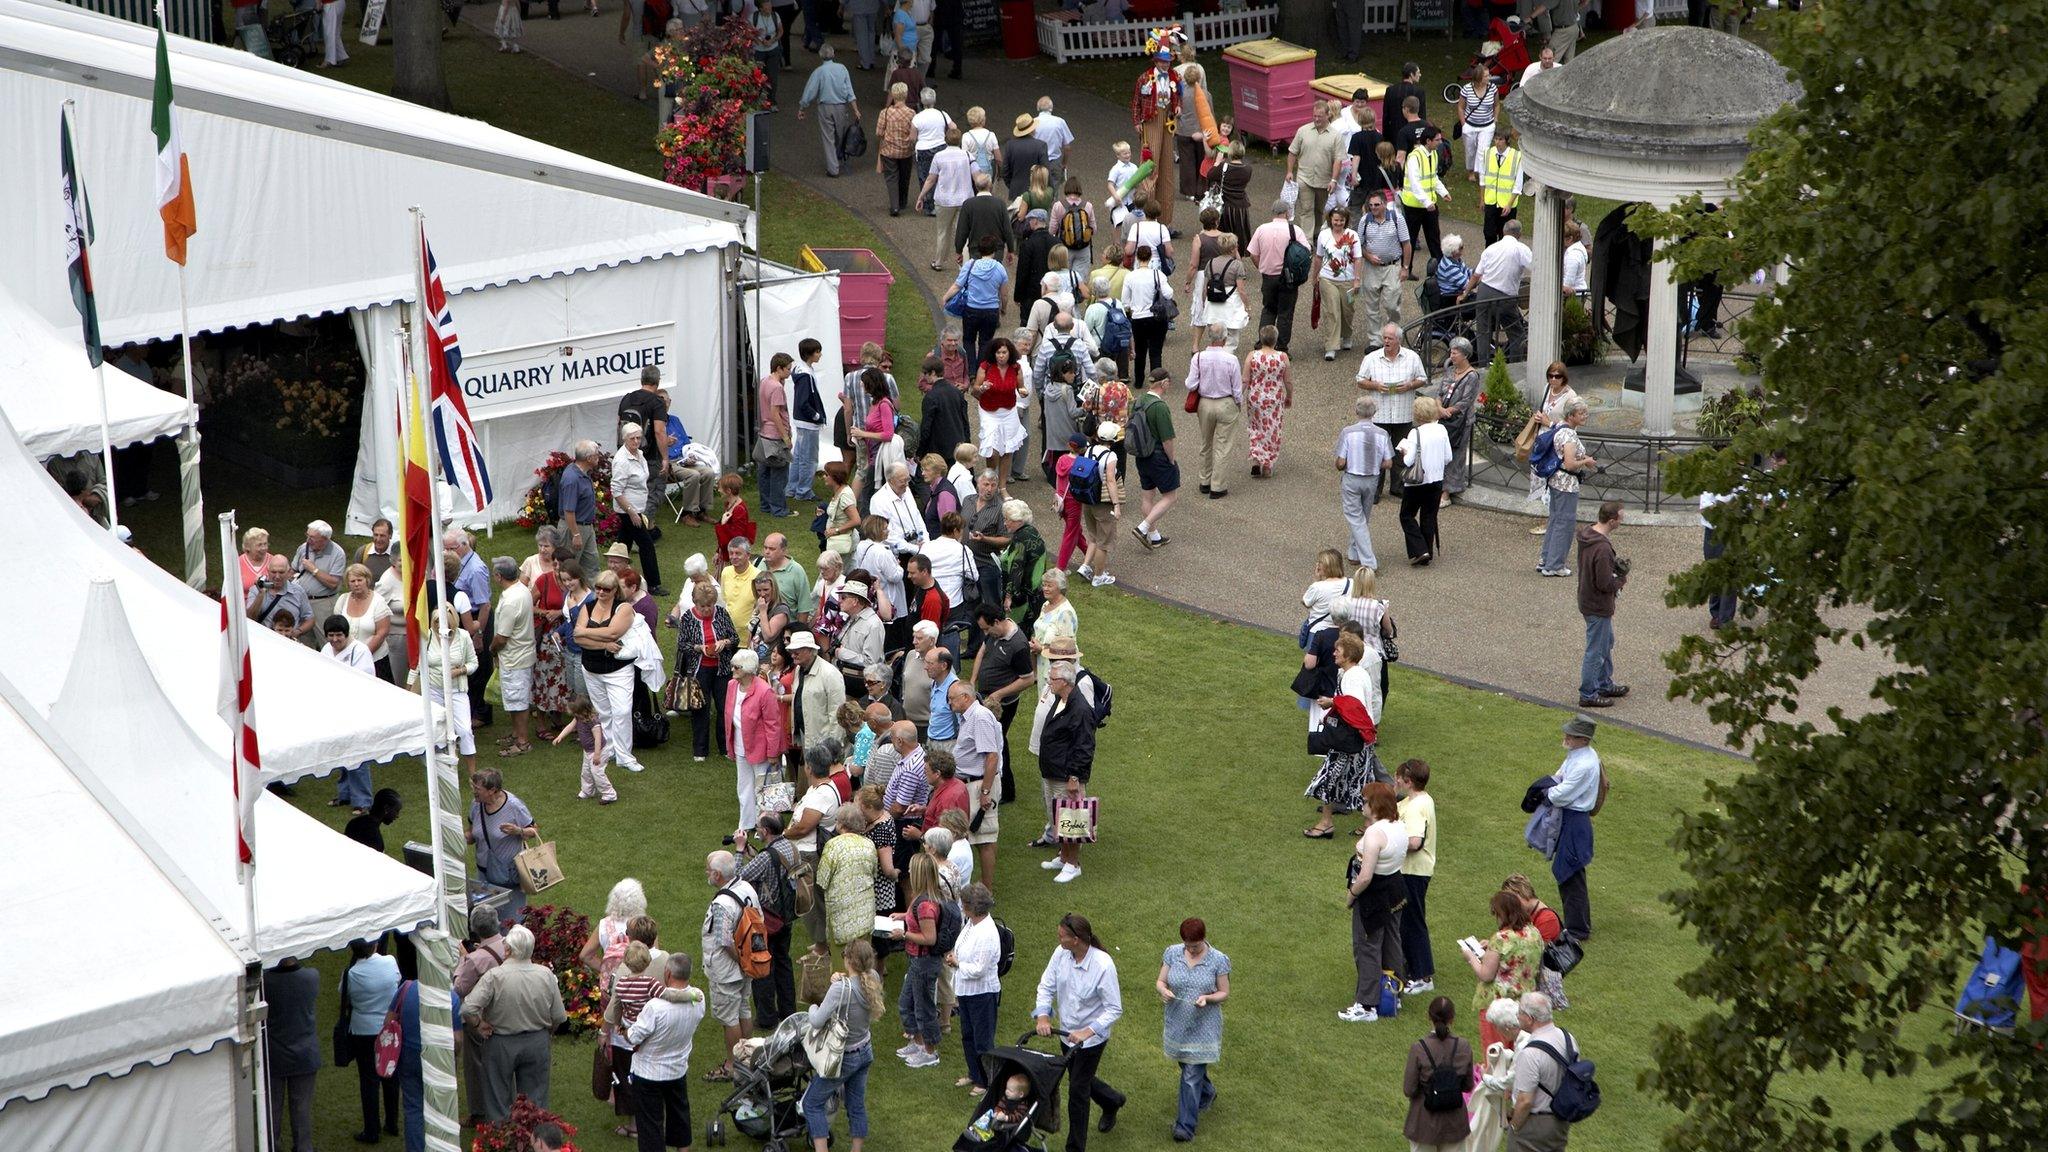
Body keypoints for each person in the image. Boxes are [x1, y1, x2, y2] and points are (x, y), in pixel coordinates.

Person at [1033, 913, 1125, 1151]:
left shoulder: (1103, 965)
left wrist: (1088, 1031)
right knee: (1079, 1079)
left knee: (1077, 1091)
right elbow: (1046, 985)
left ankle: (1075, 1148)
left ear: (1076, 939)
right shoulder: (1060, 954)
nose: (1058, 939)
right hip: (1066, 1034)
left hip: (1091, 1042)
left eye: (1062, 936)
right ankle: (1112, 1100)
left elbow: (1114, 1008)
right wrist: (1043, 1014)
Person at [802, 939, 884, 1152]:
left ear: (848, 960)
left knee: (811, 1103)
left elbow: (818, 1020)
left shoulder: (840, 989)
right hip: (865, 1051)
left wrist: (812, 1006)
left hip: (843, 1057)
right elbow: (857, 984)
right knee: (856, 1105)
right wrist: (840, 979)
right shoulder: (873, 978)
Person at [1156, 918, 1230, 1143]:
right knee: (1187, 1066)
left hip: (1203, 1026)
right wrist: (1163, 990)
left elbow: (1224, 992)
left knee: (1190, 1075)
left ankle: (1185, 1127)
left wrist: (1207, 998)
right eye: (1188, 945)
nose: (1191, 949)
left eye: (1195, 945)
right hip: (1178, 1022)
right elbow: (1160, 981)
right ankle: (1206, 1092)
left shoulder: (1218, 960)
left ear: (1204, 939)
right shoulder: (1172, 953)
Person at [1339, 781, 1407, 1022]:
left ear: (1375, 805)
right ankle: (1393, 992)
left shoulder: (1374, 834)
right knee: (1392, 941)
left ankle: (1366, 1005)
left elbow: (1365, 876)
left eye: (1365, 801)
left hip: (1374, 894)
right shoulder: (1399, 825)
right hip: (1396, 889)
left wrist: (1352, 895)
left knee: (1367, 947)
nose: (1362, 805)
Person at [627, 952, 709, 1152]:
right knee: (680, 1115)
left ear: (668, 973)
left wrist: (626, 1029)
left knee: (650, 1127)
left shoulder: (655, 1007)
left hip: (648, 1074)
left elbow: (634, 1037)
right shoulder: (698, 998)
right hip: (677, 1069)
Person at [576, 571, 648, 774]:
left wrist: (586, 632)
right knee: (603, 712)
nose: (600, 592)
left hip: (617, 671)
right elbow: (577, 638)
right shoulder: (588, 606)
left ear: (615, 590)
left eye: (606, 589)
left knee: (622, 711)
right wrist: (604, 645)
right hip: (591, 668)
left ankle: (625, 755)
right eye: (598, 587)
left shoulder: (623, 608)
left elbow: (614, 632)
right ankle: (610, 749)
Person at [1546, 714, 1608, 940]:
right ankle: (1576, 925)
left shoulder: (1584, 763)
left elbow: (1560, 794)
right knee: (1569, 873)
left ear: (1583, 739)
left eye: (1571, 735)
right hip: (1573, 819)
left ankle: (1578, 929)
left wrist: (1545, 791)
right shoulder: (1580, 755)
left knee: (1570, 873)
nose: (1566, 737)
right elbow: (1559, 776)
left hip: (1575, 820)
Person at [1034, 660, 1097, 883]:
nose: (1048, 682)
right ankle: (1063, 856)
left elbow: (1084, 746)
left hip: (1065, 775)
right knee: (1057, 818)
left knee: (1069, 819)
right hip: (1053, 771)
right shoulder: (1062, 699)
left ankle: (1073, 864)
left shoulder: (1080, 708)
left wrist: (1074, 777)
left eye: (1051, 679)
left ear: (1064, 681)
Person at [699, 851, 758, 1081]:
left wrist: (741, 961)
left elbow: (724, 941)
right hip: (744, 966)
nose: (707, 874)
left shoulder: (721, 903)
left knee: (729, 1018)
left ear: (717, 874)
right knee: (744, 1009)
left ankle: (734, 1066)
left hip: (727, 970)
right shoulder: (746, 887)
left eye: (708, 870)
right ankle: (747, 1059)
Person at [1355, 323, 1429, 502]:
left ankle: (1398, 487)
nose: (1386, 341)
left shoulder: (1412, 357)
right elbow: (1359, 379)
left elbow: (1423, 378)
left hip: (1402, 414)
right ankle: (1374, 491)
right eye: (1385, 338)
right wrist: (1375, 385)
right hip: (1379, 415)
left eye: (1390, 338)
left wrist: (1410, 385)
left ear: (1399, 340)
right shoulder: (1372, 358)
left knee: (1400, 453)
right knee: (1377, 453)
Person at [886, 854, 947, 1067]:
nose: (909, 873)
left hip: (924, 962)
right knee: (906, 1002)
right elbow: (917, 920)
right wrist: (903, 916)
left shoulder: (925, 905)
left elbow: (929, 938)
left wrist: (903, 935)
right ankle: (918, 1042)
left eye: (912, 870)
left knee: (923, 1008)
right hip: (917, 960)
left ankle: (929, 1052)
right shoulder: (922, 897)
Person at [1465, 889, 1543, 1051]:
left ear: (1503, 914)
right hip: (1524, 1004)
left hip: (1497, 1007)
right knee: (1521, 1052)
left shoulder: (1501, 939)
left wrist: (1471, 958)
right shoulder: (1534, 933)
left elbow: (1486, 975)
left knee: (1497, 1057)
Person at [341, 939, 402, 1142]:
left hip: (363, 1031)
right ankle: (392, 1123)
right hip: (387, 1027)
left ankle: (372, 1130)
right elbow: (397, 983)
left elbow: (344, 996)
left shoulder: (351, 974)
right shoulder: (390, 962)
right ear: (374, 944)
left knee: (369, 1081)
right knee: (391, 1075)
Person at [1389, 760, 1440, 998]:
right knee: (1408, 921)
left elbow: (1415, 842)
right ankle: (1414, 969)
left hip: (1413, 871)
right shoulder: (1418, 801)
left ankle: (1422, 976)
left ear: (1408, 781)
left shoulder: (1416, 806)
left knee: (1412, 922)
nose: (1395, 780)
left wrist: (1389, 846)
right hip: (1414, 870)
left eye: (1397, 778)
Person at [674, 581, 738, 762]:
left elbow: (734, 637)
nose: (707, 609)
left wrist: (724, 643)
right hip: (699, 669)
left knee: (724, 707)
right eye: (702, 606)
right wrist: (699, 648)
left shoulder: (722, 613)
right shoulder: (687, 617)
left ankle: (725, 747)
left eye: (710, 605)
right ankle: (700, 750)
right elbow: (682, 644)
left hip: (722, 669)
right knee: (700, 708)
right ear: (695, 602)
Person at [947, 881, 1003, 1090]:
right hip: (967, 991)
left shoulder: (987, 933)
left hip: (982, 994)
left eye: (964, 903)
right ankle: (974, 1073)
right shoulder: (972, 924)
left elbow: (979, 969)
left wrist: (957, 963)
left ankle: (986, 1081)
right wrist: (955, 957)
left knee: (983, 1040)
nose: (961, 906)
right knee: (968, 1035)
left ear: (973, 907)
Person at [264, 956, 322, 1152]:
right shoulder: (311, 976)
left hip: (275, 1055)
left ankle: (272, 1146)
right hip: (305, 1054)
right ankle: (303, 1148)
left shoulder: (267, 982)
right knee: (302, 1109)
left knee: (273, 1109)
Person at [1401, 996, 1474, 1151]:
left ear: (1429, 1017)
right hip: (1454, 1124)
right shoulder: (1464, 1046)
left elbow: (1409, 1089)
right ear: (1452, 1019)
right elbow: (1468, 1086)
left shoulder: (1419, 1048)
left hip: (1423, 1124)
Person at [1509, 993, 1579, 1151]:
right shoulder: (1569, 1039)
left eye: (1520, 1012)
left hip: (1535, 1124)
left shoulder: (1530, 1053)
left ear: (1530, 1018)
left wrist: (1514, 1127)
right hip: (1561, 1120)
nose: (1517, 1016)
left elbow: (1525, 1101)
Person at [414, 605, 480, 772]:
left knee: (464, 730)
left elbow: (474, 663)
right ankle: (444, 770)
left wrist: (459, 671)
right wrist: (410, 688)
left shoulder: (463, 636)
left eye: (443, 620)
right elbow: (417, 666)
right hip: (434, 690)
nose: (439, 624)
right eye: (436, 621)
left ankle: (473, 773)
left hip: (457, 690)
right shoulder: (426, 637)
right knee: (437, 730)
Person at [1576, 501, 1627, 708]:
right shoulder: (1603, 548)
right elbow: (1605, 583)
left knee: (1606, 642)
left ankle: (1604, 682)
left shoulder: (1587, 533)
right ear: (1612, 521)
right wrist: (1621, 579)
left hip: (1587, 598)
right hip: (1597, 604)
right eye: (1621, 518)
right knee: (1596, 650)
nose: (1622, 522)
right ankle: (1588, 693)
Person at [466, 768, 537, 914]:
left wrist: (519, 831)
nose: (474, 791)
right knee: (488, 920)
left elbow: (534, 831)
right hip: (483, 875)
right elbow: (472, 834)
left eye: (477, 788)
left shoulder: (513, 806)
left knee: (511, 920)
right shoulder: (476, 804)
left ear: (492, 790)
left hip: (508, 875)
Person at [1335, 397, 1393, 571]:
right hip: (1372, 479)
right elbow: (1388, 463)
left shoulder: (1348, 432)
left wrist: (1343, 463)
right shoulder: (1382, 434)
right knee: (1362, 518)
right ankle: (1354, 553)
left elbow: (1340, 462)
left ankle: (1368, 561)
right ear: (1374, 413)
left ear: (1356, 412)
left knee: (1356, 518)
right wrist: (1375, 464)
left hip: (1352, 478)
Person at [1185, 328, 1243, 499]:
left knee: (1205, 443)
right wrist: (1238, 404)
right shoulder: (1231, 359)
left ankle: (1205, 480)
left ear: (1209, 338)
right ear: (1224, 339)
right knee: (1223, 446)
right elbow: (1237, 389)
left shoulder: (1198, 357)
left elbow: (1191, 384)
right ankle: (1217, 486)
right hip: (1226, 403)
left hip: (1205, 404)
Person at [1538, 401, 1595, 577]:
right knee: (1564, 524)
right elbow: (1570, 464)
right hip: (1566, 485)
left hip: (1555, 481)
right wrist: (1586, 461)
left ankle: (1546, 559)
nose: (1585, 416)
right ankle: (1555, 565)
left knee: (1555, 520)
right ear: (1571, 416)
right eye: (1581, 413)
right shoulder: (1569, 435)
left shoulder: (1560, 428)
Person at [817, 803, 880, 957]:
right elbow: (873, 873)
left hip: (842, 913)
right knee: (863, 959)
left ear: (842, 824)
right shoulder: (869, 844)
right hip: (865, 910)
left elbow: (822, 879)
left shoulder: (833, 845)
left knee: (844, 964)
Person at [1128, 368, 1180, 551]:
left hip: (1142, 456)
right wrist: (1171, 460)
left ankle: (1153, 535)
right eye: (1169, 382)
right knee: (1170, 496)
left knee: (1147, 495)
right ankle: (1143, 527)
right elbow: (1167, 439)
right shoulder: (1159, 407)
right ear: (1163, 383)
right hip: (1158, 456)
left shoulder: (1138, 401)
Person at [1502, 874, 1572, 1009]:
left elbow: (1534, 955)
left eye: (1512, 901)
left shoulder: (1547, 919)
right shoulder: (1526, 913)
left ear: (1520, 894)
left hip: (1536, 982)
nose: (1510, 907)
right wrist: (1494, 945)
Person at [1246, 200, 1307, 353]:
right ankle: (1281, 347)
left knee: (1268, 309)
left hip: (1268, 276)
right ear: (1287, 212)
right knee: (1285, 313)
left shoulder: (1261, 229)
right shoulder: (1295, 230)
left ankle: (1263, 344)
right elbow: (1306, 253)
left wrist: (1261, 267)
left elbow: (1253, 253)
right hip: (1288, 278)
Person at [1396, 397, 1451, 565]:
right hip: (1436, 480)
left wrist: (1404, 452)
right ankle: (1427, 551)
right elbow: (1448, 457)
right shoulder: (1442, 430)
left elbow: (1408, 461)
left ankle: (1420, 550)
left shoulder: (1415, 433)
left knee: (1406, 515)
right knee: (1429, 516)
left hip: (1417, 482)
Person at [1471, 219, 1532, 367]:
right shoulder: (1521, 249)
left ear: (1503, 232)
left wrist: (1465, 292)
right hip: (1504, 297)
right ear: (1519, 234)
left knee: (1483, 333)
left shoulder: (1491, 248)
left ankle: (1483, 366)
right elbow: (1536, 267)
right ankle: (1515, 366)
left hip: (1484, 293)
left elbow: (1476, 275)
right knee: (1517, 334)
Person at [797, 45, 861, 177]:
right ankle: (838, 158)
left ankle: (833, 169)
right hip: (841, 106)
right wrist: (855, 109)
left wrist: (803, 107)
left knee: (828, 137)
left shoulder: (819, 72)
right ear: (833, 54)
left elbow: (810, 91)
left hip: (825, 107)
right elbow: (849, 90)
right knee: (841, 134)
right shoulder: (842, 68)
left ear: (821, 56)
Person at [1311, 204, 1361, 362]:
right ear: (1331, 220)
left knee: (1347, 311)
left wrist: (1357, 279)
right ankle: (1331, 346)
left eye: (1341, 220)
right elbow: (1318, 257)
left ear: (1345, 221)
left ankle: (1346, 335)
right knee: (1331, 311)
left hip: (1347, 280)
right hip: (1327, 278)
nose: (1338, 223)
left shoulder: (1352, 235)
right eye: (1336, 220)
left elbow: (1358, 258)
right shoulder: (1324, 235)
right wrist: (1315, 276)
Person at [1398, 125, 1450, 275]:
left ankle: (1439, 269)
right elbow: (1415, 183)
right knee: (1410, 239)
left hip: (1429, 205)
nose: (1440, 142)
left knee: (1434, 237)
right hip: (1414, 205)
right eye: (1437, 140)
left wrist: (1443, 192)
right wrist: (1427, 202)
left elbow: (1433, 177)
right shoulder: (1415, 157)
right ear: (1428, 141)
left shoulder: (1432, 154)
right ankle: (1407, 268)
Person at [1437, 338, 1483, 501]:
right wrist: (1439, 407)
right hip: (1444, 419)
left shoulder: (1472, 376)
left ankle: (1448, 491)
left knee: (1456, 455)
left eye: (1455, 353)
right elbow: (1440, 392)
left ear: (1465, 355)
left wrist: (1449, 410)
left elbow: (1467, 400)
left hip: (1460, 422)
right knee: (1441, 454)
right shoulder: (1450, 371)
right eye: (1451, 352)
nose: (1452, 355)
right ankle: (1439, 485)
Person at [1120, 243, 1175, 382]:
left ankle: (1139, 380)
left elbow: (1125, 301)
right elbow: (1169, 294)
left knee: (1140, 350)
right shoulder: (1158, 274)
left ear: (1137, 258)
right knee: (1156, 351)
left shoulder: (1130, 276)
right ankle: (1156, 380)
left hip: (1138, 318)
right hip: (1157, 317)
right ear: (1151, 258)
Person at [1286, 101, 1342, 233]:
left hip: (1324, 180)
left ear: (1328, 115)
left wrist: (1334, 180)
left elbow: (1338, 160)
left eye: (1320, 116)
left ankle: (1316, 233)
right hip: (1304, 178)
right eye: (1315, 116)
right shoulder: (1303, 131)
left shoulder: (1335, 135)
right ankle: (1307, 241)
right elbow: (1293, 152)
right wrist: (1289, 171)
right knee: (1306, 209)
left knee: (1319, 209)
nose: (1317, 119)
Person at [559, 441, 603, 581]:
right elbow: (569, 511)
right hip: (574, 527)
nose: (599, 457)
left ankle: (593, 599)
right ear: (588, 458)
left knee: (592, 565)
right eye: (596, 454)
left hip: (586, 526)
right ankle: (567, 600)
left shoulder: (581, 473)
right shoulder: (572, 478)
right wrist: (576, 534)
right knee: (569, 568)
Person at [345, 788, 404, 853]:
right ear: (386, 808)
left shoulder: (353, 823)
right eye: (396, 811)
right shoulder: (374, 838)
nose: (397, 816)